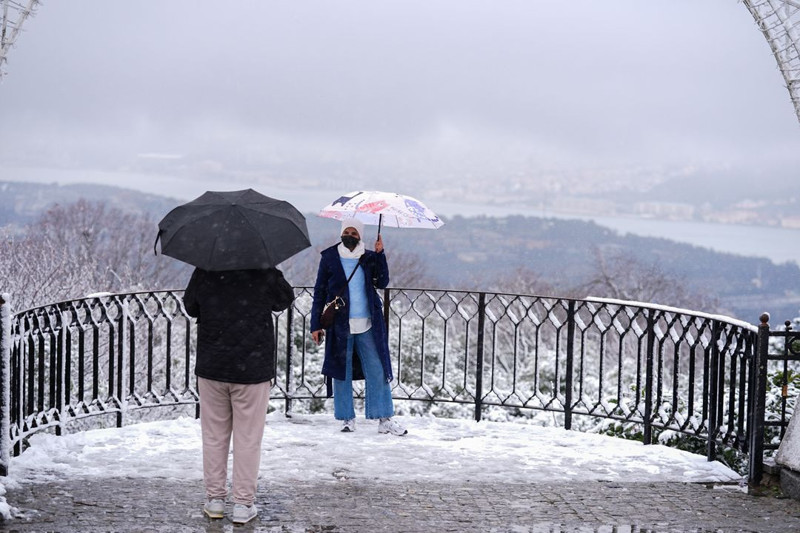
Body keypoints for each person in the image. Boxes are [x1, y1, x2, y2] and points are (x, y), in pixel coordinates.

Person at [183, 267, 295, 524]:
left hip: (213, 366)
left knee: (214, 437)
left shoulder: (207, 268)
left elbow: (191, 306)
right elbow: (285, 299)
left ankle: (215, 500)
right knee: (248, 439)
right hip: (252, 370)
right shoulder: (263, 269)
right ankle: (243, 504)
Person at [310, 218, 407, 436]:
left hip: (368, 323)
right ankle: (346, 418)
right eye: (347, 232)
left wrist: (381, 255)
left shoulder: (369, 257)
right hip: (339, 325)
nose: (350, 236)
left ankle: (384, 418)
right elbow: (319, 292)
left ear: (360, 236)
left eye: (354, 233)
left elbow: (382, 282)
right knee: (340, 371)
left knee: (377, 369)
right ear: (341, 233)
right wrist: (315, 324)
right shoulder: (329, 258)